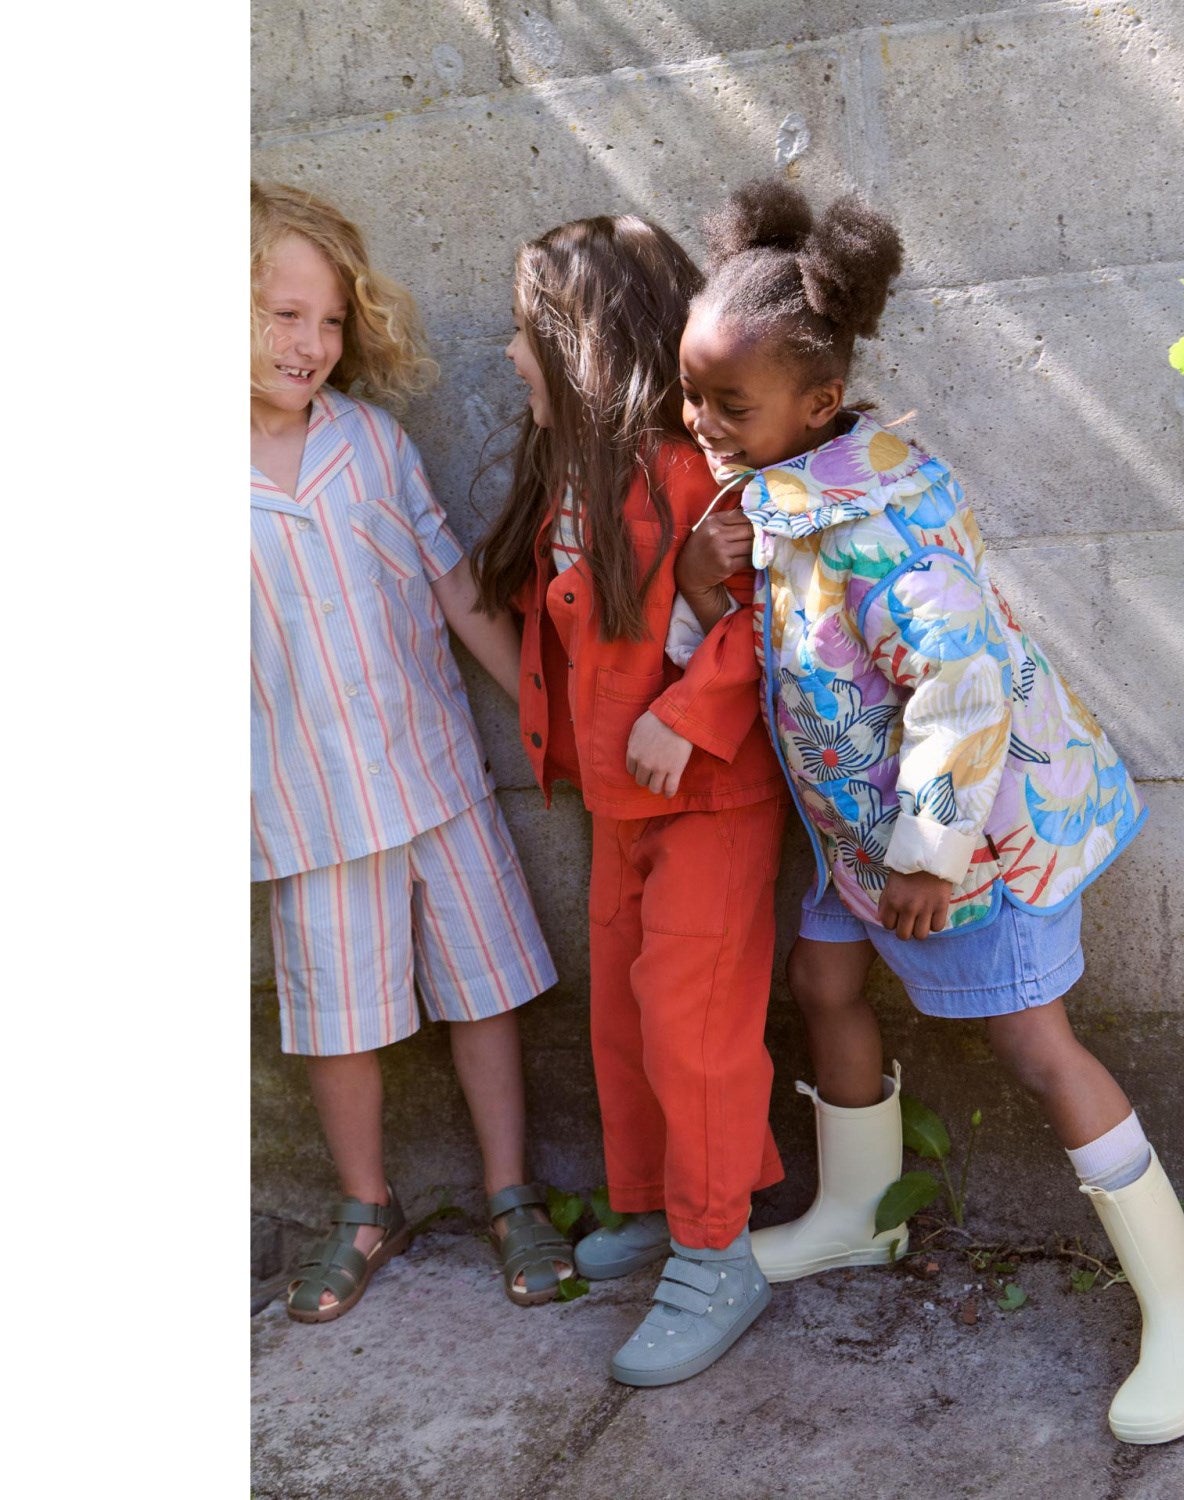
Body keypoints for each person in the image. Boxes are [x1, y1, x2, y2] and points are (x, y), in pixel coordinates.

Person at [671, 179, 1184, 1445]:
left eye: (728, 404)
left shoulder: (878, 529)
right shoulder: (789, 491)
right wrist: (705, 581)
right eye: (692, 393)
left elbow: (963, 687)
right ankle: (856, 1217)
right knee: (823, 984)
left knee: (1039, 1048)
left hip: (977, 843)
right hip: (861, 837)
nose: (700, 421)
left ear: (819, 402)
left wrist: (930, 855)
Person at [469, 215, 790, 1387]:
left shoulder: (691, 474)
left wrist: (688, 712)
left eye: (526, 333)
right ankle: (657, 1203)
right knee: (626, 1022)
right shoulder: (578, 473)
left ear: (584, 348)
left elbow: (771, 622)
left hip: (707, 801)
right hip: (621, 808)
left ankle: (717, 1255)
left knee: (691, 1033)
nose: (510, 355)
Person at [251, 182, 572, 1321]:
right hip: (309, 806)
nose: (311, 344)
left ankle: (510, 1192)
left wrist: (549, 714)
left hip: (433, 775)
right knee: (338, 1018)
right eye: (284, 315)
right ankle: (364, 1206)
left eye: (331, 322)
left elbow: (456, 589)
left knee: (484, 987)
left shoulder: (372, 445)